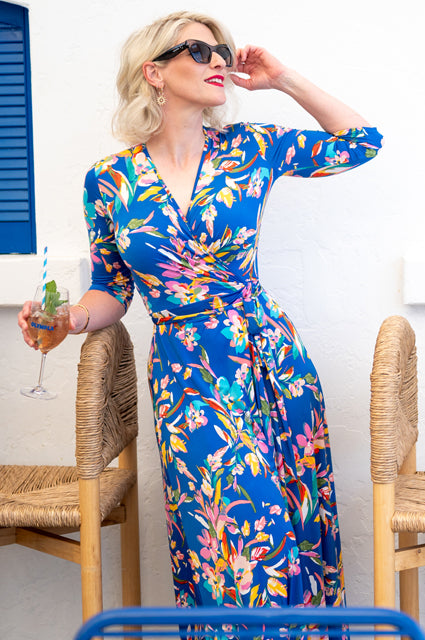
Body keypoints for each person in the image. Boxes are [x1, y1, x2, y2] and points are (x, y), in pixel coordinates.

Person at [16, 11, 379, 609]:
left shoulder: (252, 147)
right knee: (227, 543)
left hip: (270, 363)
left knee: (295, 531)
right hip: (187, 379)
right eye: (199, 50)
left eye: (222, 53)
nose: (218, 62)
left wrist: (283, 80)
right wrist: (70, 320)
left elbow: (363, 142)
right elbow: (111, 287)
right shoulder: (109, 181)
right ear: (153, 72)